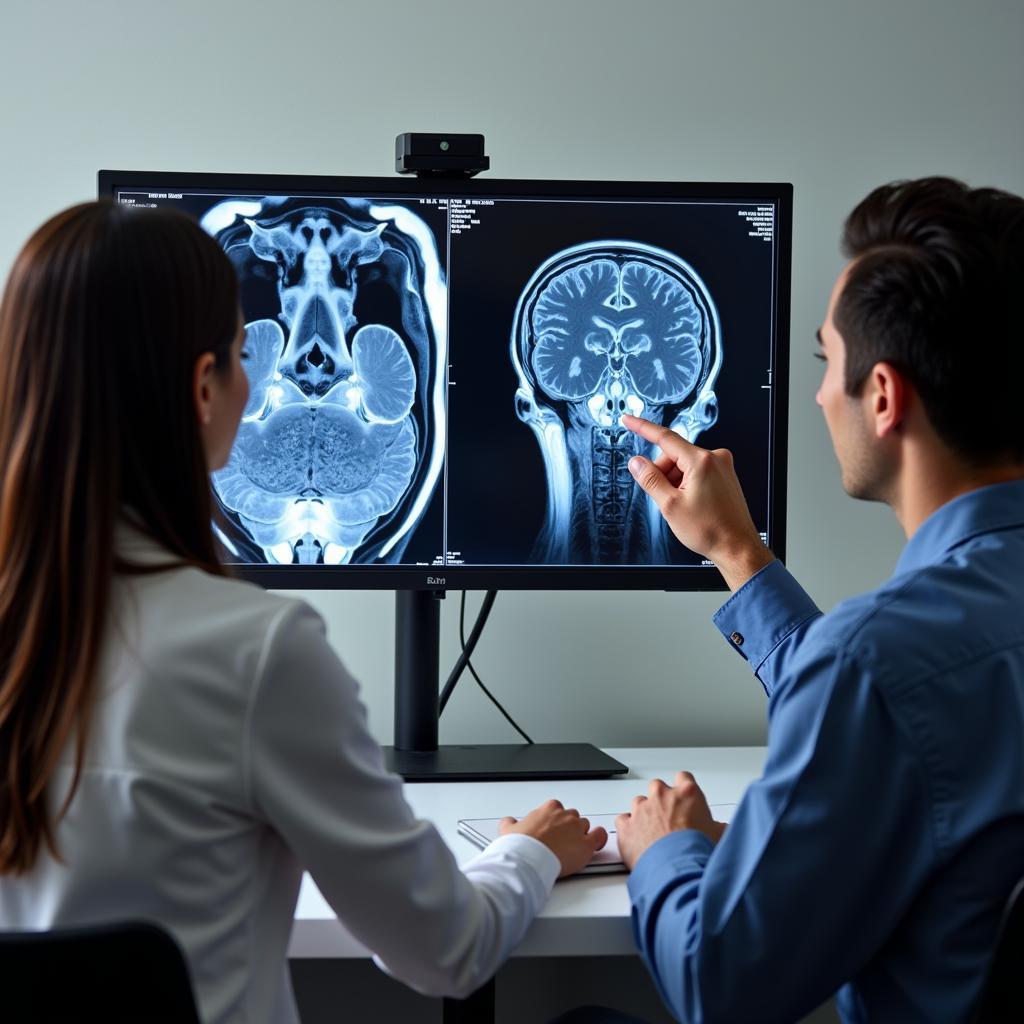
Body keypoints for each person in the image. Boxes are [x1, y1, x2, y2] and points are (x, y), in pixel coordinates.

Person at [0, 201, 607, 1024]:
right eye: (248, 353)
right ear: (204, 388)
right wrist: (528, 853)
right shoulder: (255, 652)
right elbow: (446, 952)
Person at [613, 178, 1024, 1023]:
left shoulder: (878, 661)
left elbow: (717, 986)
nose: (816, 395)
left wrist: (668, 850)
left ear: (881, 396)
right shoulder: (900, 664)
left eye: (824, 361)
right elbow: (914, 706)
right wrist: (739, 553)